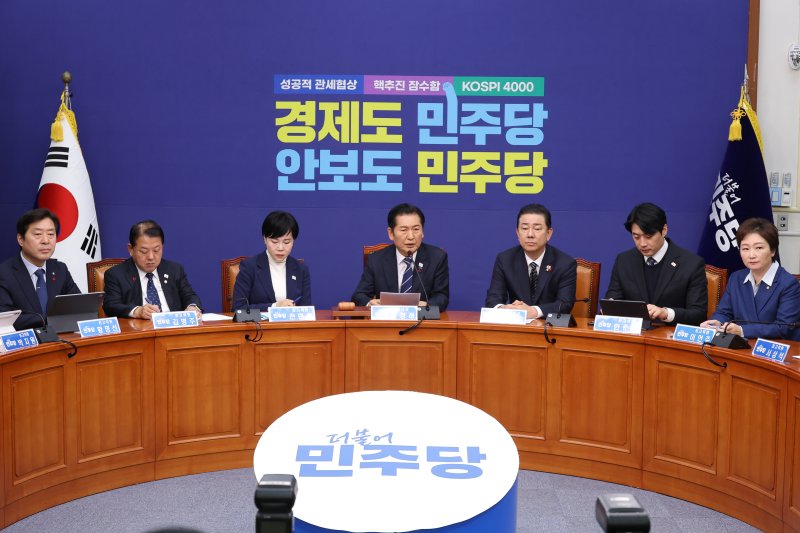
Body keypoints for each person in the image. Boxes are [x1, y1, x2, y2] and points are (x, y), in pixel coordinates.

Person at [605, 202, 707, 325]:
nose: (642, 243)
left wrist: (666, 313)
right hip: (634, 333)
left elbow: (698, 314)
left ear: (664, 230)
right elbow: (613, 300)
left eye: (648, 236)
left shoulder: (691, 264)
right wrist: (609, 307)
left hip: (670, 334)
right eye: (636, 237)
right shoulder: (624, 261)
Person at [701, 218, 800, 340]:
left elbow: (783, 327)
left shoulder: (789, 284)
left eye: (758, 248)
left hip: (775, 348)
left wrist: (742, 331)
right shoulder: (736, 278)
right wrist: (718, 323)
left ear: (773, 250)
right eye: (745, 249)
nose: (751, 255)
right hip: (741, 345)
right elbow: (724, 312)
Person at [485, 204, 576, 319]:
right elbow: (493, 299)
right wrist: (503, 308)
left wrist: (533, 311)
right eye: (524, 228)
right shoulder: (505, 259)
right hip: (517, 325)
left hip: (550, 326)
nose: (530, 235)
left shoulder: (565, 263)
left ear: (548, 233)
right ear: (517, 233)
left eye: (537, 229)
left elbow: (565, 304)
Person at [351, 203, 449, 310]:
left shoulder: (437, 258)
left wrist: (426, 305)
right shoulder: (376, 260)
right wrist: (369, 303)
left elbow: (442, 296)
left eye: (416, 229)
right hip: (387, 318)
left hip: (421, 318)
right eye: (403, 230)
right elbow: (359, 296)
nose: (411, 236)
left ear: (422, 232)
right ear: (391, 233)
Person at [103, 220, 202, 319]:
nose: (151, 257)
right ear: (131, 249)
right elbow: (111, 306)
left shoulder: (174, 270)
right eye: (144, 251)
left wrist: (192, 307)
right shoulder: (116, 274)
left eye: (156, 250)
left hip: (173, 325)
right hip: (140, 327)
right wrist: (137, 311)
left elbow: (190, 296)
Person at [0, 208, 80, 330]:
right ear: (21, 239)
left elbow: (78, 306)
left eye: (51, 234)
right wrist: (46, 319)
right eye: (38, 234)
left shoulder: (60, 269)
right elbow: (4, 319)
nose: (46, 241)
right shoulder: (4, 273)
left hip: (60, 337)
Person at [233, 211, 311, 311]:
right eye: (274, 242)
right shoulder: (249, 267)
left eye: (286, 242)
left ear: (293, 241)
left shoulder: (301, 269)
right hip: (260, 321)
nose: (280, 248)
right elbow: (238, 309)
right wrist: (274, 307)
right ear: (265, 239)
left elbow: (306, 310)